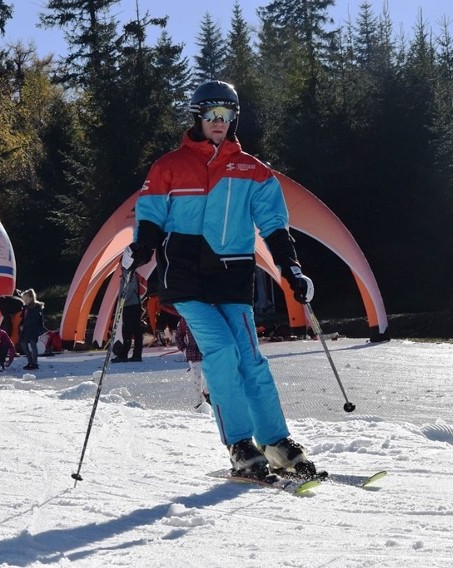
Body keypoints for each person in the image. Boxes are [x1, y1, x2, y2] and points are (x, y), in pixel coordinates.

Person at [121, 80, 316, 479]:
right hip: (188, 279)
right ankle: (240, 444)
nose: (218, 123)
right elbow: (152, 216)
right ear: (197, 117)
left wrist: (290, 267)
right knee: (223, 354)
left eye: (226, 116)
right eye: (211, 115)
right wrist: (141, 248)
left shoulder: (253, 171)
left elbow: (275, 226)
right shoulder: (168, 166)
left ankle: (276, 441)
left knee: (252, 360)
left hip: (232, 277)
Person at [174, 317, 209, 408]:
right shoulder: (184, 319)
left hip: (208, 353)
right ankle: (199, 403)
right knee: (197, 380)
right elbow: (178, 336)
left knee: (212, 377)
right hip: (193, 354)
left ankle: (207, 393)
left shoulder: (208, 315)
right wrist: (184, 349)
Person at [112, 273, 145, 363]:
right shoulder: (130, 274)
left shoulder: (129, 274)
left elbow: (129, 289)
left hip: (130, 305)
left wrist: (123, 299)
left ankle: (124, 354)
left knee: (128, 330)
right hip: (134, 304)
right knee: (135, 330)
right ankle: (136, 354)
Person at [18, 288, 45, 370]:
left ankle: (34, 363)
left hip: (33, 329)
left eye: (26, 299)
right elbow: (24, 318)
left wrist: (24, 325)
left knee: (33, 345)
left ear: (31, 298)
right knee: (23, 344)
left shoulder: (36, 307)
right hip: (26, 330)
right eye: (24, 299)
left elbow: (33, 319)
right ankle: (30, 362)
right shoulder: (26, 307)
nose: (25, 301)